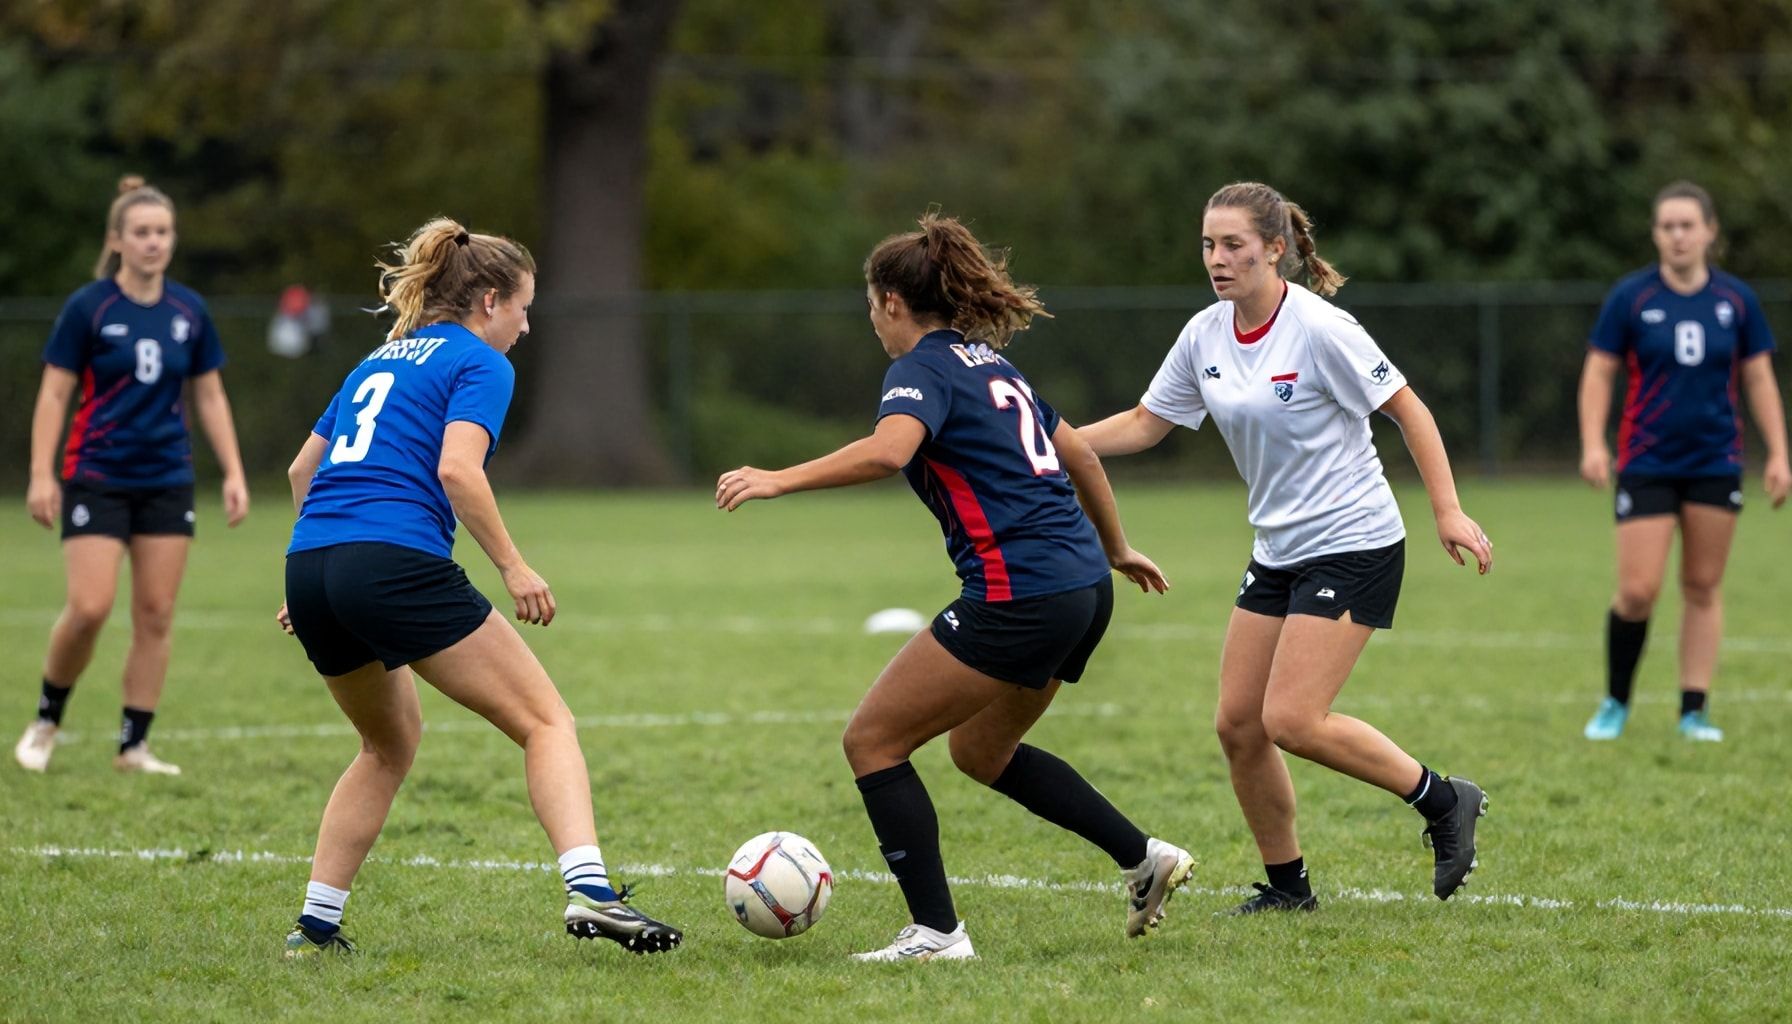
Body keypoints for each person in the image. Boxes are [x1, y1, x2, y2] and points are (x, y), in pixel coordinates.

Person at [716, 212, 1194, 962]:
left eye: (871, 303)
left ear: (892, 304)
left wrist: (779, 478)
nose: (871, 317)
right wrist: (1118, 550)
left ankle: (937, 933)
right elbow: (1084, 460)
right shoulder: (993, 364)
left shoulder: (920, 370)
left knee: (872, 741)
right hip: (1081, 586)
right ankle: (1143, 859)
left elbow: (888, 451)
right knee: (980, 751)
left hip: (1021, 592)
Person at [1079, 182, 1493, 914]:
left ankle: (1443, 799)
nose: (1217, 258)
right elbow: (1147, 422)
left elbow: (1410, 410)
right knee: (1238, 725)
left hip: (1355, 542)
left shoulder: (1319, 328)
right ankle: (1287, 887)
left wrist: (1449, 511)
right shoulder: (1205, 333)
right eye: (1208, 244)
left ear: (1276, 249)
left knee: (1293, 720)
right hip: (1278, 548)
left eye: (1234, 244)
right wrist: (1053, 445)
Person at [277, 218, 681, 958]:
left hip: (313, 564)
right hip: (392, 562)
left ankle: (314, 927)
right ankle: (591, 892)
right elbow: (458, 471)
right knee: (547, 722)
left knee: (385, 746)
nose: (527, 328)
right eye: (525, 308)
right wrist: (514, 566)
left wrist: (319, 571)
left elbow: (304, 473)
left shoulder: (378, 359)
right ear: (489, 301)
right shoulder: (480, 363)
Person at [14, 175, 249, 777]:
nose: (154, 242)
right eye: (141, 232)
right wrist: (42, 474)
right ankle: (45, 721)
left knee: (156, 614)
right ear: (117, 239)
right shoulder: (88, 308)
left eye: (163, 232)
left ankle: (133, 746)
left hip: (168, 476)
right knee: (90, 607)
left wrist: (233, 472)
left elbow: (211, 395)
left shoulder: (188, 310)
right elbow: (55, 393)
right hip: (97, 474)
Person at [1578, 181, 1789, 743]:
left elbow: (1758, 376)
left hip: (1717, 460)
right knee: (1638, 590)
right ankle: (1615, 702)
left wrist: (1779, 454)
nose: (1677, 235)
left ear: (1709, 232)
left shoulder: (1737, 300)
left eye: (1687, 225)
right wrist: (1594, 444)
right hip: (1647, 459)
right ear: (1656, 233)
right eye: (1667, 226)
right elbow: (1599, 371)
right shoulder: (1632, 298)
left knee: (1702, 585)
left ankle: (1693, 710)